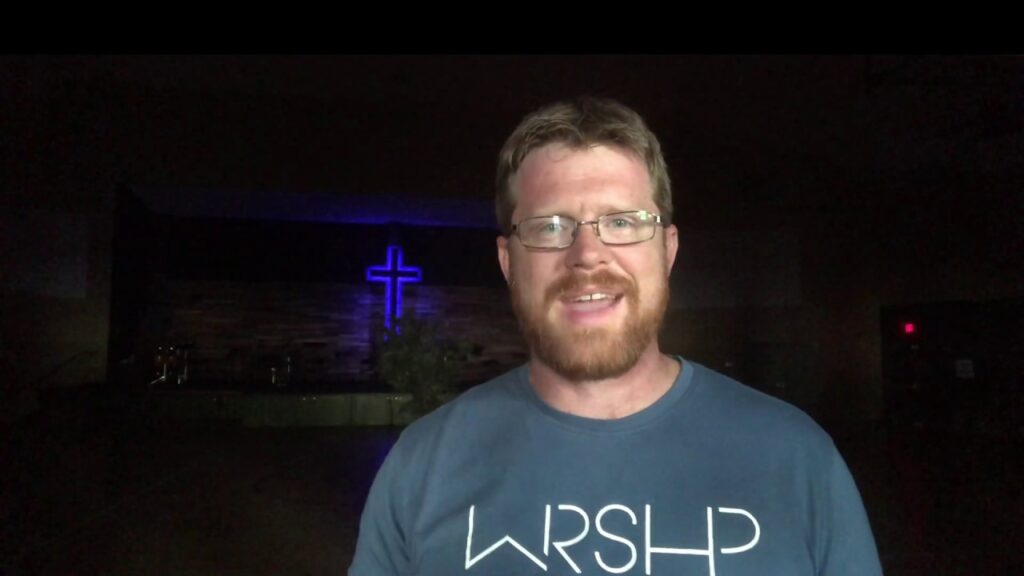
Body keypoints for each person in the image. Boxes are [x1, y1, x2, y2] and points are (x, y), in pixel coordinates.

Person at [349, 97, 883, 575]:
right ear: (508, 262)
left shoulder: (798, 459)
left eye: (623, 222)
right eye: (550, 227)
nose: (587, 255)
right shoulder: (423, 464)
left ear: (667, 251)